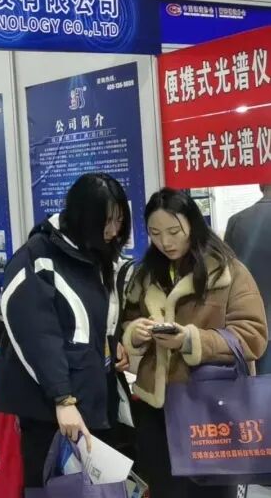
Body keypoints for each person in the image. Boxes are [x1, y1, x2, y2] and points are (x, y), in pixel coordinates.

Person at [123, 188, 268, 498]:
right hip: (157, 410)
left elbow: (253, 335)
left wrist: (190, 340)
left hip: (210, 408)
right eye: (155, 233)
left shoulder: (228, 272)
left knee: (212, 493)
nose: (165, 242)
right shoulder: (145, 275)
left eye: (174, 231)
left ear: (192, 223)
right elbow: (127, 320)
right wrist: (134, 333)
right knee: (165, 490)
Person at [0, 173, 133, 488]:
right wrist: (62, 398)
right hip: (52, 407)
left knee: (96, 487)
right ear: (84, 218)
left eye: (119, 221)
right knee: (53, 486)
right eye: (106, 222)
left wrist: (113, 341)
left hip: (94, 397)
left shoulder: (98, 254)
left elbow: (95, 316)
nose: (113, 231)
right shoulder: (38, 256)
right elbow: (38, 334)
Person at [224, 183, 271, 374]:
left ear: (261, 186)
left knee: (258, 386)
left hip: (251, 325)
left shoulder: (237, 221)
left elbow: (226, 276)